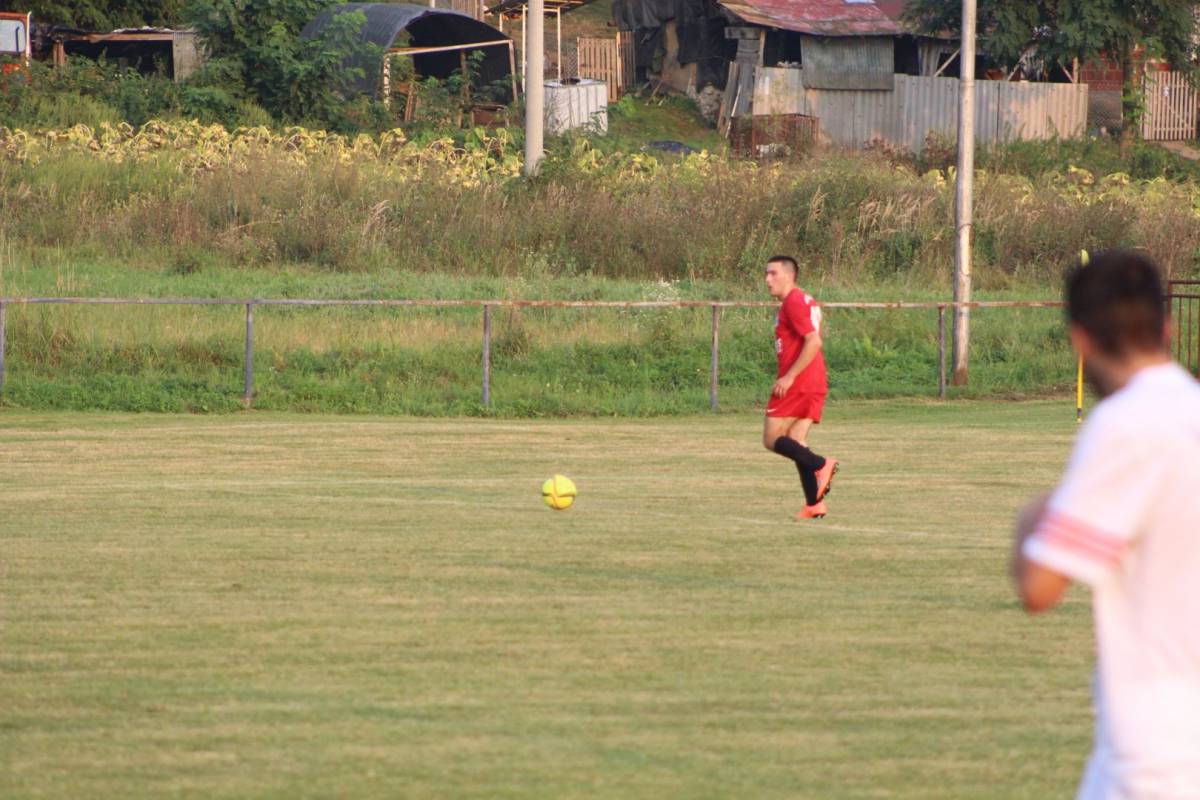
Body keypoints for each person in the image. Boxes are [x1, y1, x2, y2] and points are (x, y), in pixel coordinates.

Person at [1013, 250, 1200, 798]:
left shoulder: (1125, 424)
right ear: (1164, 327)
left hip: (1159, 750)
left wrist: (1036, 513)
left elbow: (1040, 586)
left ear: (1080, 341)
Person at [761, 255, 838, 520]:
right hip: (815, 379)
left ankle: (821, 464)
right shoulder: (803, 300)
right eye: (766, 274)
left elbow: (813, 342)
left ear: (789, 275)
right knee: (795, 443)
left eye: (773, 274)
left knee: (772, 440)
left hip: (801, 380)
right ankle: (814, 504)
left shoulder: (793, 301)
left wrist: (789, 377)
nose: (767, 279)